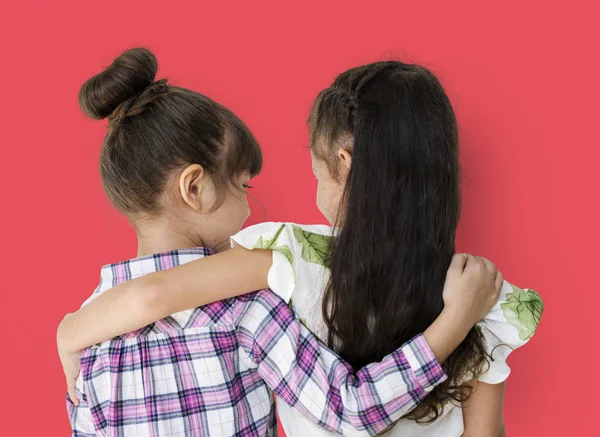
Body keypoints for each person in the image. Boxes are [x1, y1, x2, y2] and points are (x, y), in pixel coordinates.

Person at [59, 48, 502, 437]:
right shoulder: (250, 307)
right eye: (243, 185)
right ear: (195, 188)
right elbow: (353, 410)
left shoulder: (94, 330)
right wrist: (455, 322)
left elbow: (148, 300)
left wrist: (67, 332)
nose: (251, 209)